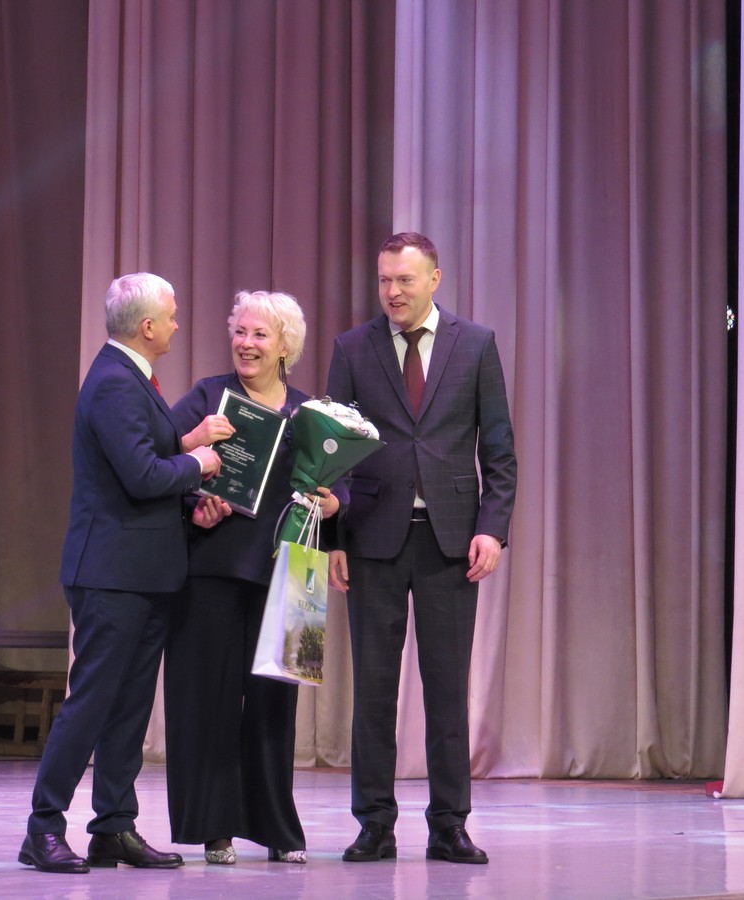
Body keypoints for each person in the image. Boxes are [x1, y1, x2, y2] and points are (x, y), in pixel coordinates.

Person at [20, 272, 228, 875]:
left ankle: (113, 826)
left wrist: (185, 453)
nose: (177, 325)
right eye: (172, 316)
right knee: (91, 703)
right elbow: (141, 476)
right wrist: (197, 462)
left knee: (130, 708)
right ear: (147, 326)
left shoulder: (131, 377)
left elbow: (141, 462)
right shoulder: (115, 381)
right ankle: (43, 827)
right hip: (112, 572)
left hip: (145, 571)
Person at [326, 232, 517, 865]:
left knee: (447, 690)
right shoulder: (353, 348)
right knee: (373, 691)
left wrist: (492, 527)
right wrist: (334, 539)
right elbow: (331, 454)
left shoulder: (476, 344)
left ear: (434, 279)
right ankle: (374, 824)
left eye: (404, 280)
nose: (393, 292)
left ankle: (449, 825)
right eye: (385, 280)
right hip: (372, 538)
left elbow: (499, 449)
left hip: (449, 541)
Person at [164, 290, 338, 865]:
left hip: (292, 579)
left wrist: (334, 504)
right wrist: (193, 501)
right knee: (207, 702)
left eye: (260, 334)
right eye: (240, 331)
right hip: (210, 571)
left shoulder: (312, 415)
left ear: (286, 346)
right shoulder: (208, 397)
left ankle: (276, 828)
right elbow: (160, 462)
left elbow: (339, 486)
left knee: (273, 708)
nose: (246, 343)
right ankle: (213, 827)